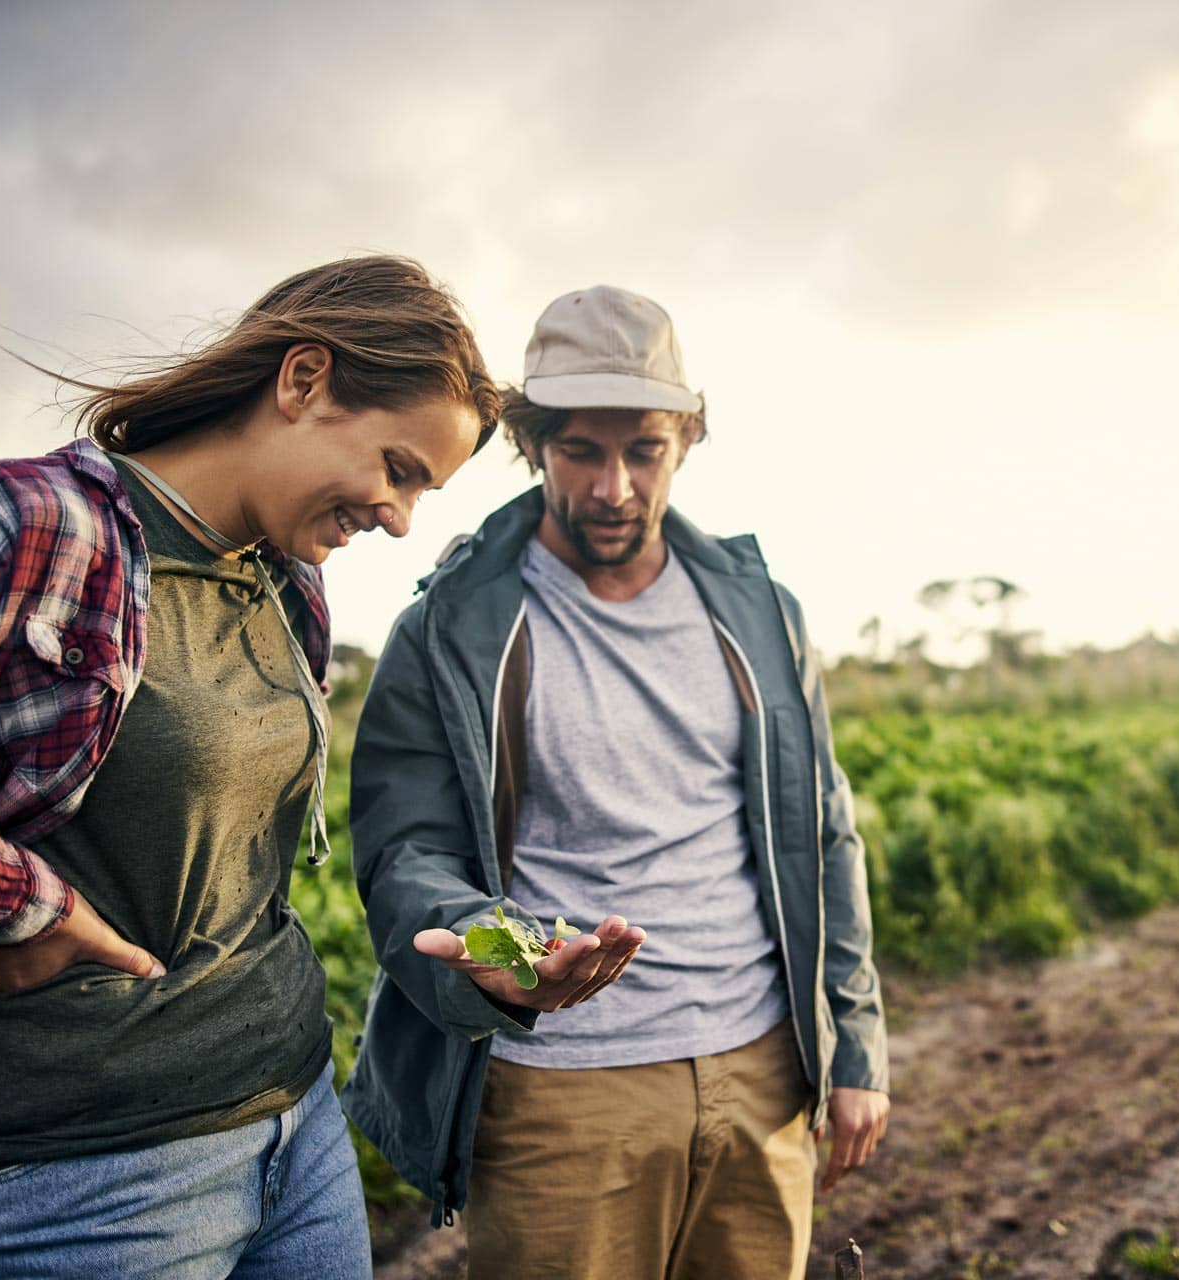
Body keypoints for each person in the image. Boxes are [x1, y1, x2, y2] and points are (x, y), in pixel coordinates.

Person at [0, 255, 538, 1278]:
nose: (400, 515)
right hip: (72, 1188)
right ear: (303, 381)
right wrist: (16, 899)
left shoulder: (292, 589)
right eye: (399, 467)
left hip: (296, 1127)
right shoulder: (26, 526)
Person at [343, 285, 891, 1279]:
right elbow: (403, 850)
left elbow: (825, 832)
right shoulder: (450, 625)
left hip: (762, 1068)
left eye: (643, 450)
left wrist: (851, 1048)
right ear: (531, 443)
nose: (613, 487)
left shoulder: (762, 610)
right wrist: (490, 947)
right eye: (580, 451)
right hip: (559, 1090)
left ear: (685, 437)